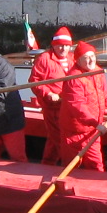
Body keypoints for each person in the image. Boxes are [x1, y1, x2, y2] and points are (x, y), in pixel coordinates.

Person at [55, 42, 107, 170]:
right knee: (71, 167)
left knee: (96, 165)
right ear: (78, 60)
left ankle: (96, 187)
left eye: (92, 56)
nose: (91, 60)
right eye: (86, 57)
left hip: (92, 130)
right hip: (74, 131)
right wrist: (95, 123)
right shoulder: (74, 78)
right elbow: (77, 106)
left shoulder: (98, 71)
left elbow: (104, 92)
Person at [28, 26, 76, 164]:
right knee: (59, 137)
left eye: (67, 46)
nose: (63, 49)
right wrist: (48, 93)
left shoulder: (73, 59)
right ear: (54, 46)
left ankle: (47, 163)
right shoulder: (44, 59)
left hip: (68, 105)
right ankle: (69, 164)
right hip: (52, 106)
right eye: (60, 46)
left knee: (54, 138)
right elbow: (34, 81)